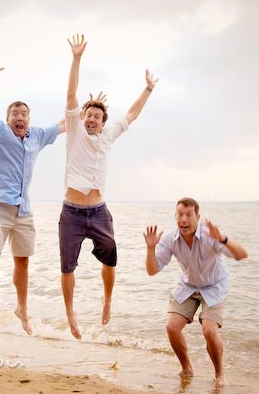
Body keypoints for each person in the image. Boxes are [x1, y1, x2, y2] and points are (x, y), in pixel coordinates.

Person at [60, 34, 159, 340]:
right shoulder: (74, 132)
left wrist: (148, 89)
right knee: (67, 267)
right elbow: (72, 94)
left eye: (96, 116)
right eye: (87, 115)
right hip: (72, 213)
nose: (90, 119)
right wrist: (77, 58)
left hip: (99, 212)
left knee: (111, 257)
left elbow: (132, 113)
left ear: (103, 122)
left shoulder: (109, 136)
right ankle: (71, 315)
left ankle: (107, 301)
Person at [0, 49, 65, 345]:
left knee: (23, 261)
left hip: (23, 209)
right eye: (15, 113)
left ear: (29, 119)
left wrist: (89, 110)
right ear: (7, 119)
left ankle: (22, 309)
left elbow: (65, 124)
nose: (20, 117)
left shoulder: (37, 135)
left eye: (24, 114)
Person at [143, 197, 248, 386]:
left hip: (215, 286)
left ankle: (219, 373)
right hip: (189, 285)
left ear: (197, 217)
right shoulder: (170, 238)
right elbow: (152, 270)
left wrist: (223, 239)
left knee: (209, 331)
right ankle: (186, 368)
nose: (184, 219)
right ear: (175, 216)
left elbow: (242, 255)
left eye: (189, 215)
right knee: (172, 327)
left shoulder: (210, 236)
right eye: (180, 214)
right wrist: (150, 248)